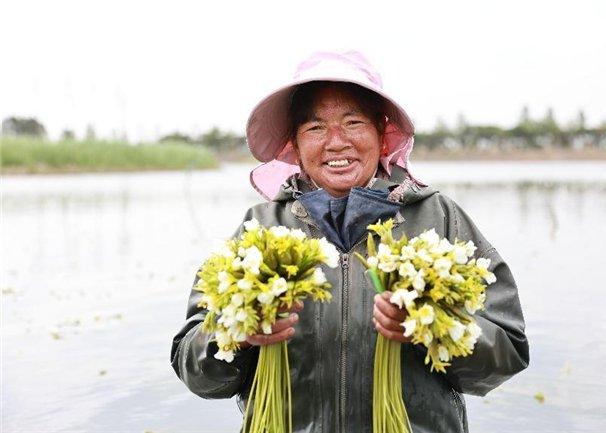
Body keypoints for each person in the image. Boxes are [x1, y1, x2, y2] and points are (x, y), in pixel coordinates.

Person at [171, 50, 529, 433]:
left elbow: (506, 353)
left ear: (381, 132)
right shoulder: (260, 230)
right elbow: (195, 371)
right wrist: (237, 335)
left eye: (353, 122)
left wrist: (434, 326)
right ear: (294, 142)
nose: (336, 142)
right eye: (315, 128)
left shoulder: (438, 219)